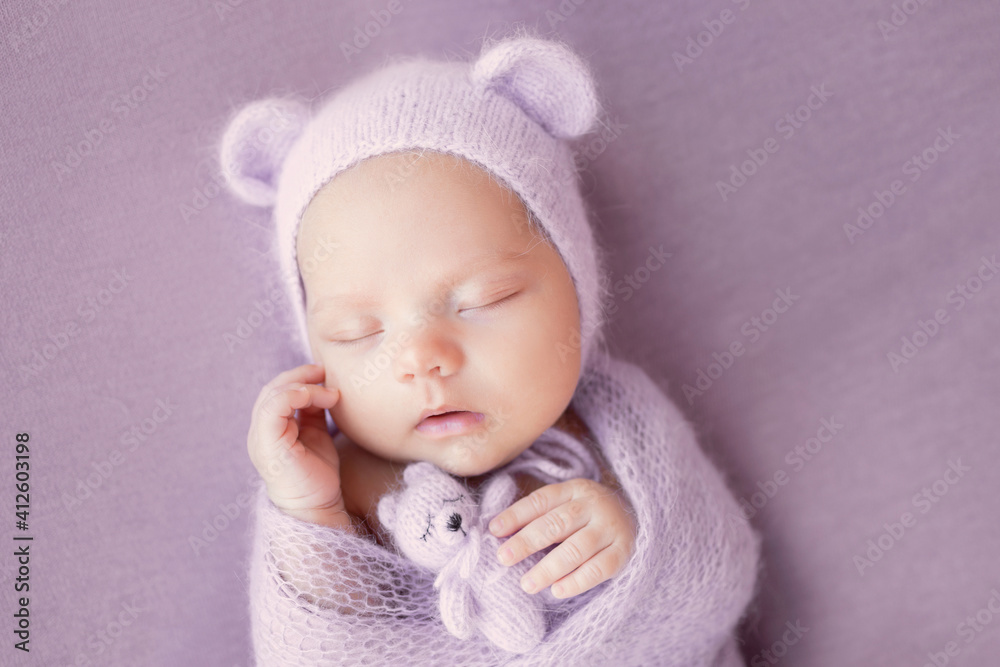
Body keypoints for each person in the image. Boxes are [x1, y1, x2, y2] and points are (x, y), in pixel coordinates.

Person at [221, 30, 760, 666]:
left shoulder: (616, 432)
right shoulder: (344, 491)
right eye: (358, 332)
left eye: (484, 301)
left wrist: (636, 537)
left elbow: (719, 570)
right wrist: (308, 512)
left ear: (577, 290)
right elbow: (313, 652)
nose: (422, 358)